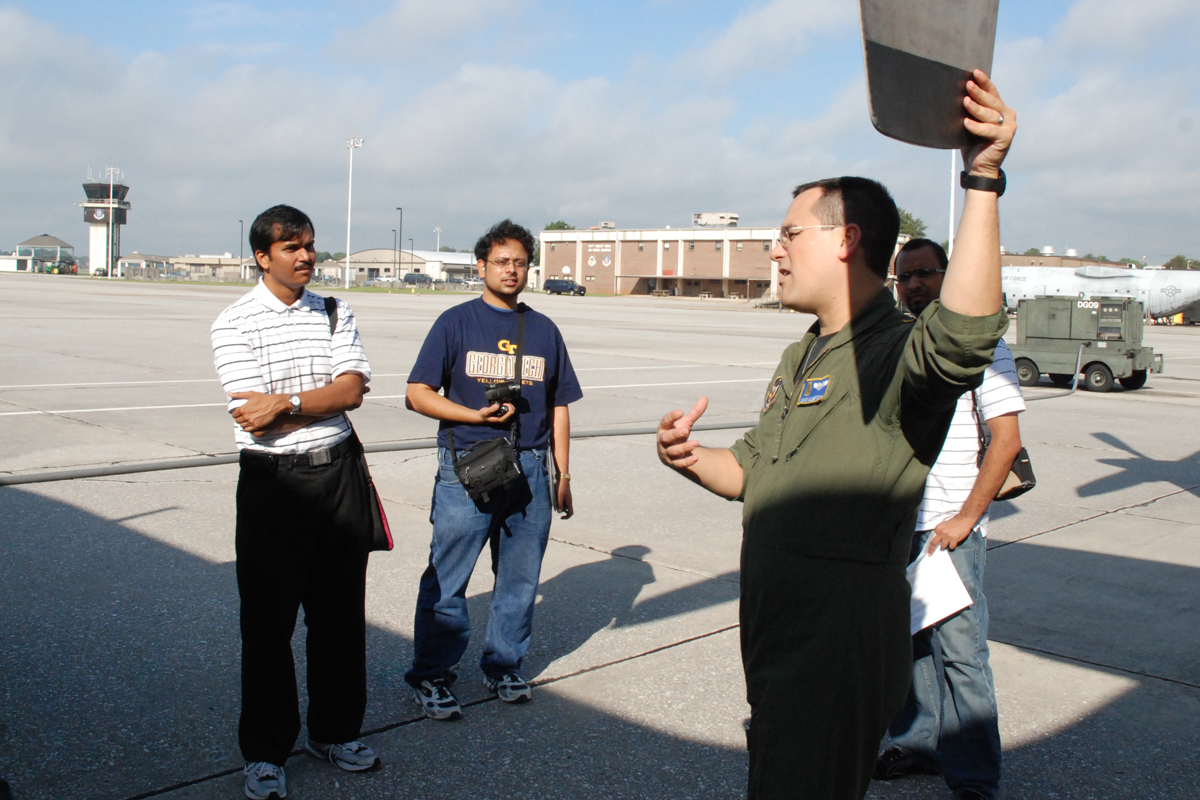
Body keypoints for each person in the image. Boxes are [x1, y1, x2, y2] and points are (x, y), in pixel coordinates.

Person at [655, 71, 1016, 800]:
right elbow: (754, 469)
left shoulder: (893, 350)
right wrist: (692, 457)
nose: (775, 252)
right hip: (780, 642)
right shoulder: (803, 353)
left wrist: (981, 180)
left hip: (835, 648)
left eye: (788, 234)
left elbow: (965, 338)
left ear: (847, 240)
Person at [211, 205, 380, 800]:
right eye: (292, 247)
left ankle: (334, 733)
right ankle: (265, 752)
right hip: (271, 486)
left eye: (310, 244)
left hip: (336, 478)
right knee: (267, 627)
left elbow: (352, 390)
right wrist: (305, 401)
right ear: (263, 256)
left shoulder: (335, 311)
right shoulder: (233, 323)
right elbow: (249, 413)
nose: (307, 256)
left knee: (338, 619)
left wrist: (284, 403)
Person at [404, 219, 582, 720]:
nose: (512, 270)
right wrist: (473, 415)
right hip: (469, 464)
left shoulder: (544, 329)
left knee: (521, 578)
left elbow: (561, 405)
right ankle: (432, 675)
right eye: (502, 262)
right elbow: (417, 394)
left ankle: (503, 664)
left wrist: (563, 475)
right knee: (448, 576)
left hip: (531, 466)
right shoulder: (455, 322)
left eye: (521, 262)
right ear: (481, 266)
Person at [875, 239, 1025, 800]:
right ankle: (916, 746)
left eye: (925, 274)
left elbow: (1005, 443)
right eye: (903, 277)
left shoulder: (983, 349)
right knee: (907, 645)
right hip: (899, 526)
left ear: (949, 275)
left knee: (961, 655)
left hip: (948, 530)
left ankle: (974, 778)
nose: (913, 285)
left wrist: (966, 518)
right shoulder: (897, 343)